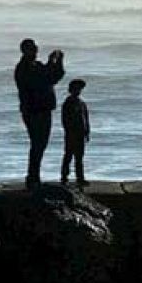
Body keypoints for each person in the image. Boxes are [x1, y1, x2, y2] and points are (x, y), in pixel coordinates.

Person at [13, 38, 65, 189]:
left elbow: (54, 77)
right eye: (31, 49)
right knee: (37, 144)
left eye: (35, 48)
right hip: (34, 111)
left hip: (43, 109)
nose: (35, 51)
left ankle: (34, 176)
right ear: (24, 51)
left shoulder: (37, 66)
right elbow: (42, 81)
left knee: (40, 144)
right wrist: (51, 64)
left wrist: (57, 62)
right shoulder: (23, 68)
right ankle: (32, 177)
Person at [60, 79, 91, 186]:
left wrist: (87, 132)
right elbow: (65, 120)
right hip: (71, 134)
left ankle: (80, 177)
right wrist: (69, 131)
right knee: (68, 155)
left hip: (81, 133)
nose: (78, 91)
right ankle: (64, 177)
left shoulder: (82, 103)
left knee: (79, 157)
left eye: (79, 89)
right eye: (77, 89)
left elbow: (86, 119)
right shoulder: (68, 103)